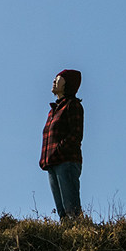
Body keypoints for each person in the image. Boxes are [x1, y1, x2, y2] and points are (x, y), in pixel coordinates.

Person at [40, 69, 85, 223]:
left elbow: (75, 135)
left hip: (66, 161)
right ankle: (67, 234)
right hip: (52, 163)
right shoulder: (53, 110)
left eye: (58, 78)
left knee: (72, 210)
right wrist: (45, 159)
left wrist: (58, 151)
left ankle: (78, 233)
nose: (54, 81)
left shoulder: (73, 105)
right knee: (63, 214)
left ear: (68, 83)